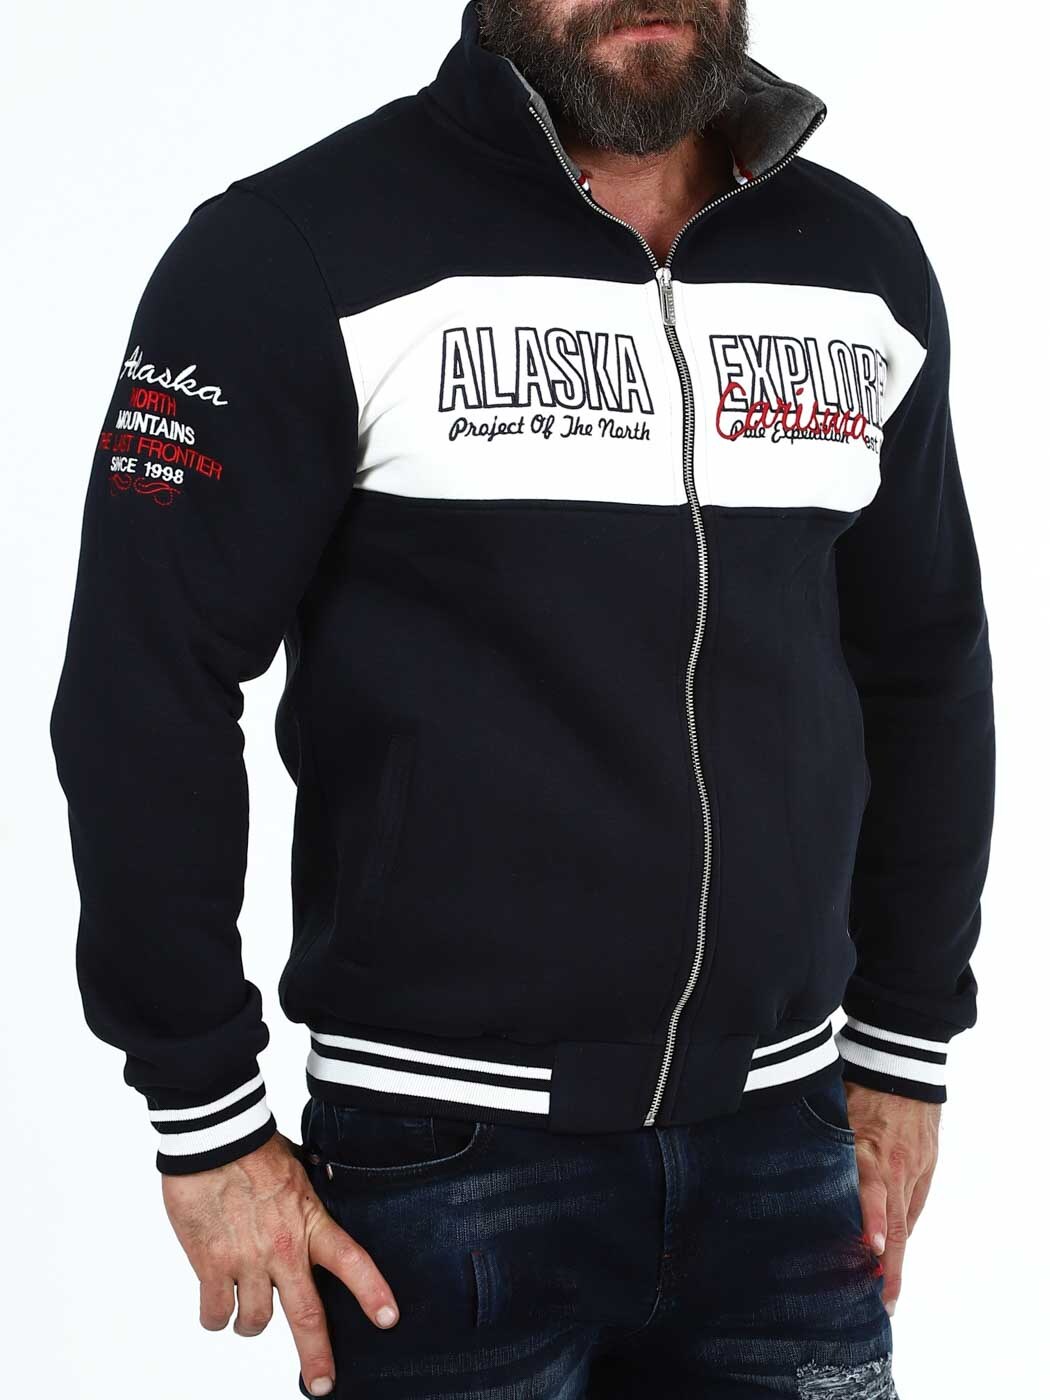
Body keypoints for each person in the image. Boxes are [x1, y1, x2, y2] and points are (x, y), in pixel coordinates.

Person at [50, 1, 995, 1395]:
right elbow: (146, 682)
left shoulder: (861, 266)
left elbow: (925, 660)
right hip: (443, 1168)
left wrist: (906, 1046)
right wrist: (204, 1112)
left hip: (789, 1153)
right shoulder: (296, 250)